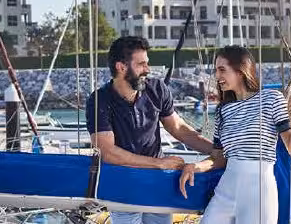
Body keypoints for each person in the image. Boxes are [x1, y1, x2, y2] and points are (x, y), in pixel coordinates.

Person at [86, 36, 219, 224]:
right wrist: (159, 164)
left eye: (147, 63)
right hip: (122, 183)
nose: (147, 69)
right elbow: (107, 152)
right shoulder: (99, 101)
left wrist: (217, 150)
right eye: (141, 64)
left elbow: (179, 128)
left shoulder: (157, 89)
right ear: (121, 67)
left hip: (157, 183)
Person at [178, 45, 291, 224]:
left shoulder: (271, 99)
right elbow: (218, 158)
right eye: (216, 70)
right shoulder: (223, 110)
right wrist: (195, 166)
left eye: (222, 70)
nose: (217, 76)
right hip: (226, 189)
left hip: (258, 192)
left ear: (240, 71)